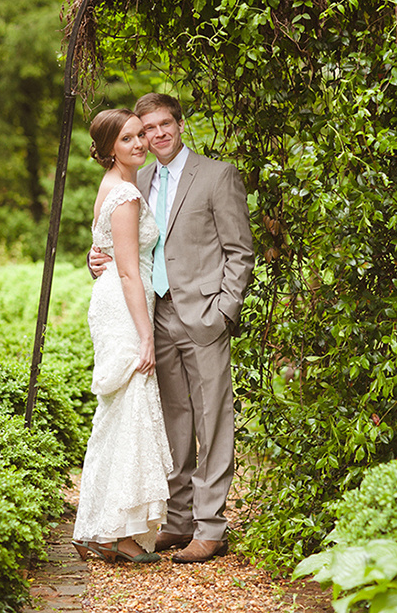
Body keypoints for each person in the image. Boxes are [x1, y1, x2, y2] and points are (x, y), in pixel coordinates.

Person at [90, 93, 254, 564]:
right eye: (146, 128)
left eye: (164, 124)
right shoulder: (135, 179)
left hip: (203, 316)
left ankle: (211, 526)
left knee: (213, 420)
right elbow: (120, 245)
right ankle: (179, 520)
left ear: (180, 125)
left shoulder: (216, 175)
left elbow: (240, 251)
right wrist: (93, 259)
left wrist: (224, 310)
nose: (156, 135)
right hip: (155, 316)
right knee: (174, 422)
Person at [72, 108, 172, 565]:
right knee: (129, 411)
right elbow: (131, 272)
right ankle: (120, 532)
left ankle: (98, 525)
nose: (139, 143)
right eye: (128, 138)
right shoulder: (127, 194)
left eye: (141, 136)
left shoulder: (112, 186)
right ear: (110, 147)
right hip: (126, 306)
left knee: (117, 414)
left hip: (113, 300)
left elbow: (109, 253)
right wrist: (146, 336)